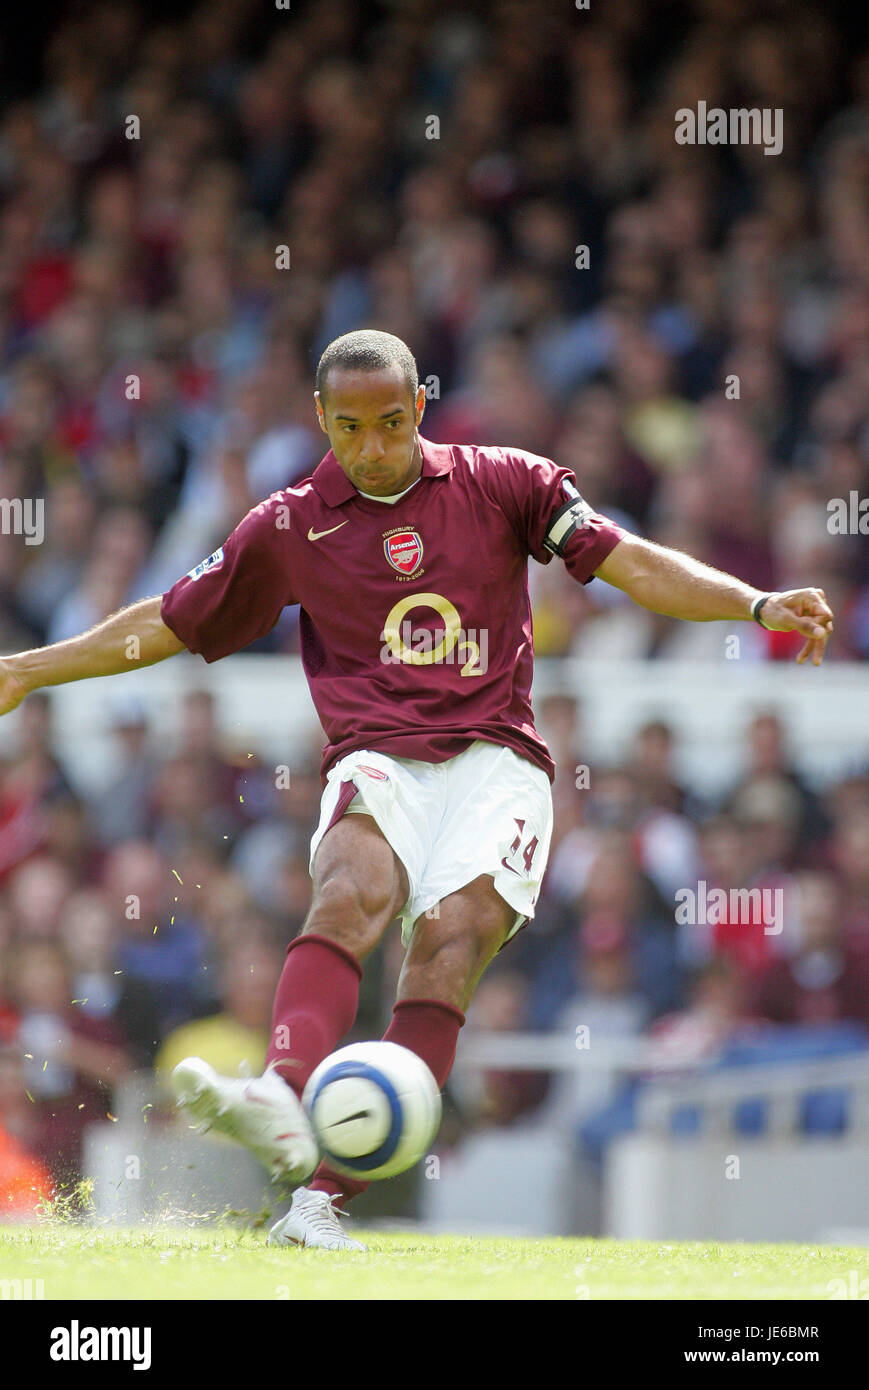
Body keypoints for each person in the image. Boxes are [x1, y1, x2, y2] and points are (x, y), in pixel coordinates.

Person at [0, 329, 834, 1250]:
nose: (372, 446)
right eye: (350, 428)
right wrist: (34, 669)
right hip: (378, 756)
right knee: (351, 883)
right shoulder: (288, 523)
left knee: (448, 950)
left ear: (419, 409)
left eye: (391, 422)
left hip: (497, 763)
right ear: (322, 420)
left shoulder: (505, 480)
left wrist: (754, 604)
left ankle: (317, 1204)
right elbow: (167, 621)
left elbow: (631, 561)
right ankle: (281, 1093)